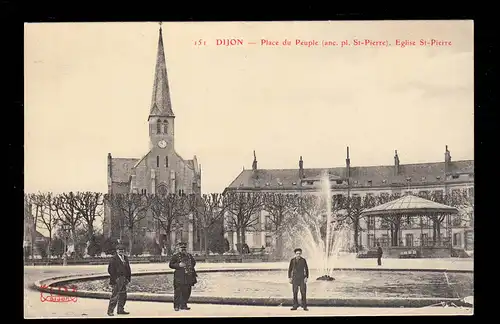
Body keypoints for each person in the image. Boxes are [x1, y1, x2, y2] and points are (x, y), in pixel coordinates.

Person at [169, 242, 197, 311]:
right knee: (178, 292)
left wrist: (189, 267)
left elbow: (194, 262)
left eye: (184, 248)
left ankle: (184, 305)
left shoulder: (189, 256)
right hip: (179, 277)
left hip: (188, 277)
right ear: (179, 248)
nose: (183, 249)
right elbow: (171, 265)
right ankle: (176, 306)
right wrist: (178, 265)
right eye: (182, 248)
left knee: (187, 292)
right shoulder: (175, 256)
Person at [107, 244, 131, 316]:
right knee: (115, 296)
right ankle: (110, 311)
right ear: (117, 251)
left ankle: (120, 309)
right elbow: (110, 270)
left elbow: (128, 269)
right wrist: (116, 279)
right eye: (120, 250)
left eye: (122, 250)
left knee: (123, 295)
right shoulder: (113, 259)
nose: (121, 251)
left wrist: (128, 278)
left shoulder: (125, 258)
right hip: (116, 279)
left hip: (124, 279)